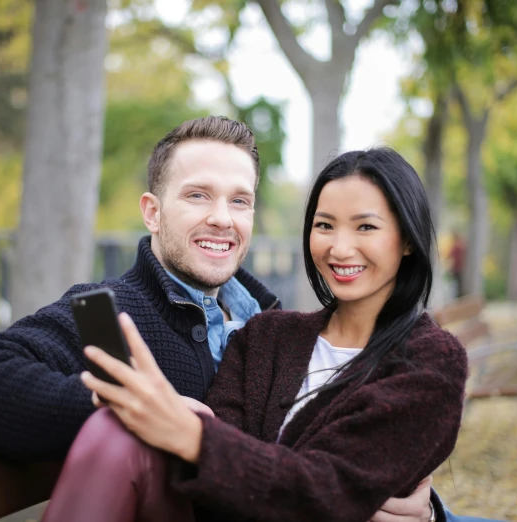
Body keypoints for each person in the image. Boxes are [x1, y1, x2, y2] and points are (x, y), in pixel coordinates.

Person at [0, 118, 447, 521]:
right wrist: (134, 404)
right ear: (152, 212)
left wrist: (423, 509)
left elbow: (324, 464)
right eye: (198, 195)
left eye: (239, 201)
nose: (221, 217)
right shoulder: (109, 315)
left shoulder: (273, 324)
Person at [42, 148, 481, 522]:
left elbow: (330, 486)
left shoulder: (432, 362)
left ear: (407, 240)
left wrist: (193, 436)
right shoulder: (267, 336)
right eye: (324, 225)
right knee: (112, 428)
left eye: (365, 227)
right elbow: (223, 489)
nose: (339, 248)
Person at [447, 232, 466, 298]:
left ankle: (458, 296)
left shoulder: (456, 246)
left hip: (457, 268)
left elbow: (449, 255)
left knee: (456, 283)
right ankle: (460, 296)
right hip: (460, 268)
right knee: (459, 283)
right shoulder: (461, 246)